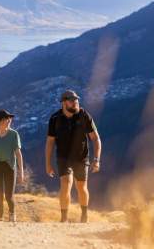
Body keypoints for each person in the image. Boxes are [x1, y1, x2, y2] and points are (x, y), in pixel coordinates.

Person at [45, 90, 102, 223]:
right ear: (64, 103)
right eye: (71, 100)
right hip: (63, 157)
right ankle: (64, 218)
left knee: (81, 187)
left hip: (81, 157)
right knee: (65, 183)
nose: (75, 102)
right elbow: (50, 142)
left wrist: (97, 159)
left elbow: (96, 139)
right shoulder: (55, 119)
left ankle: (84, 215)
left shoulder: (84, 115)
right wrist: (47, 164)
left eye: (76, 100)